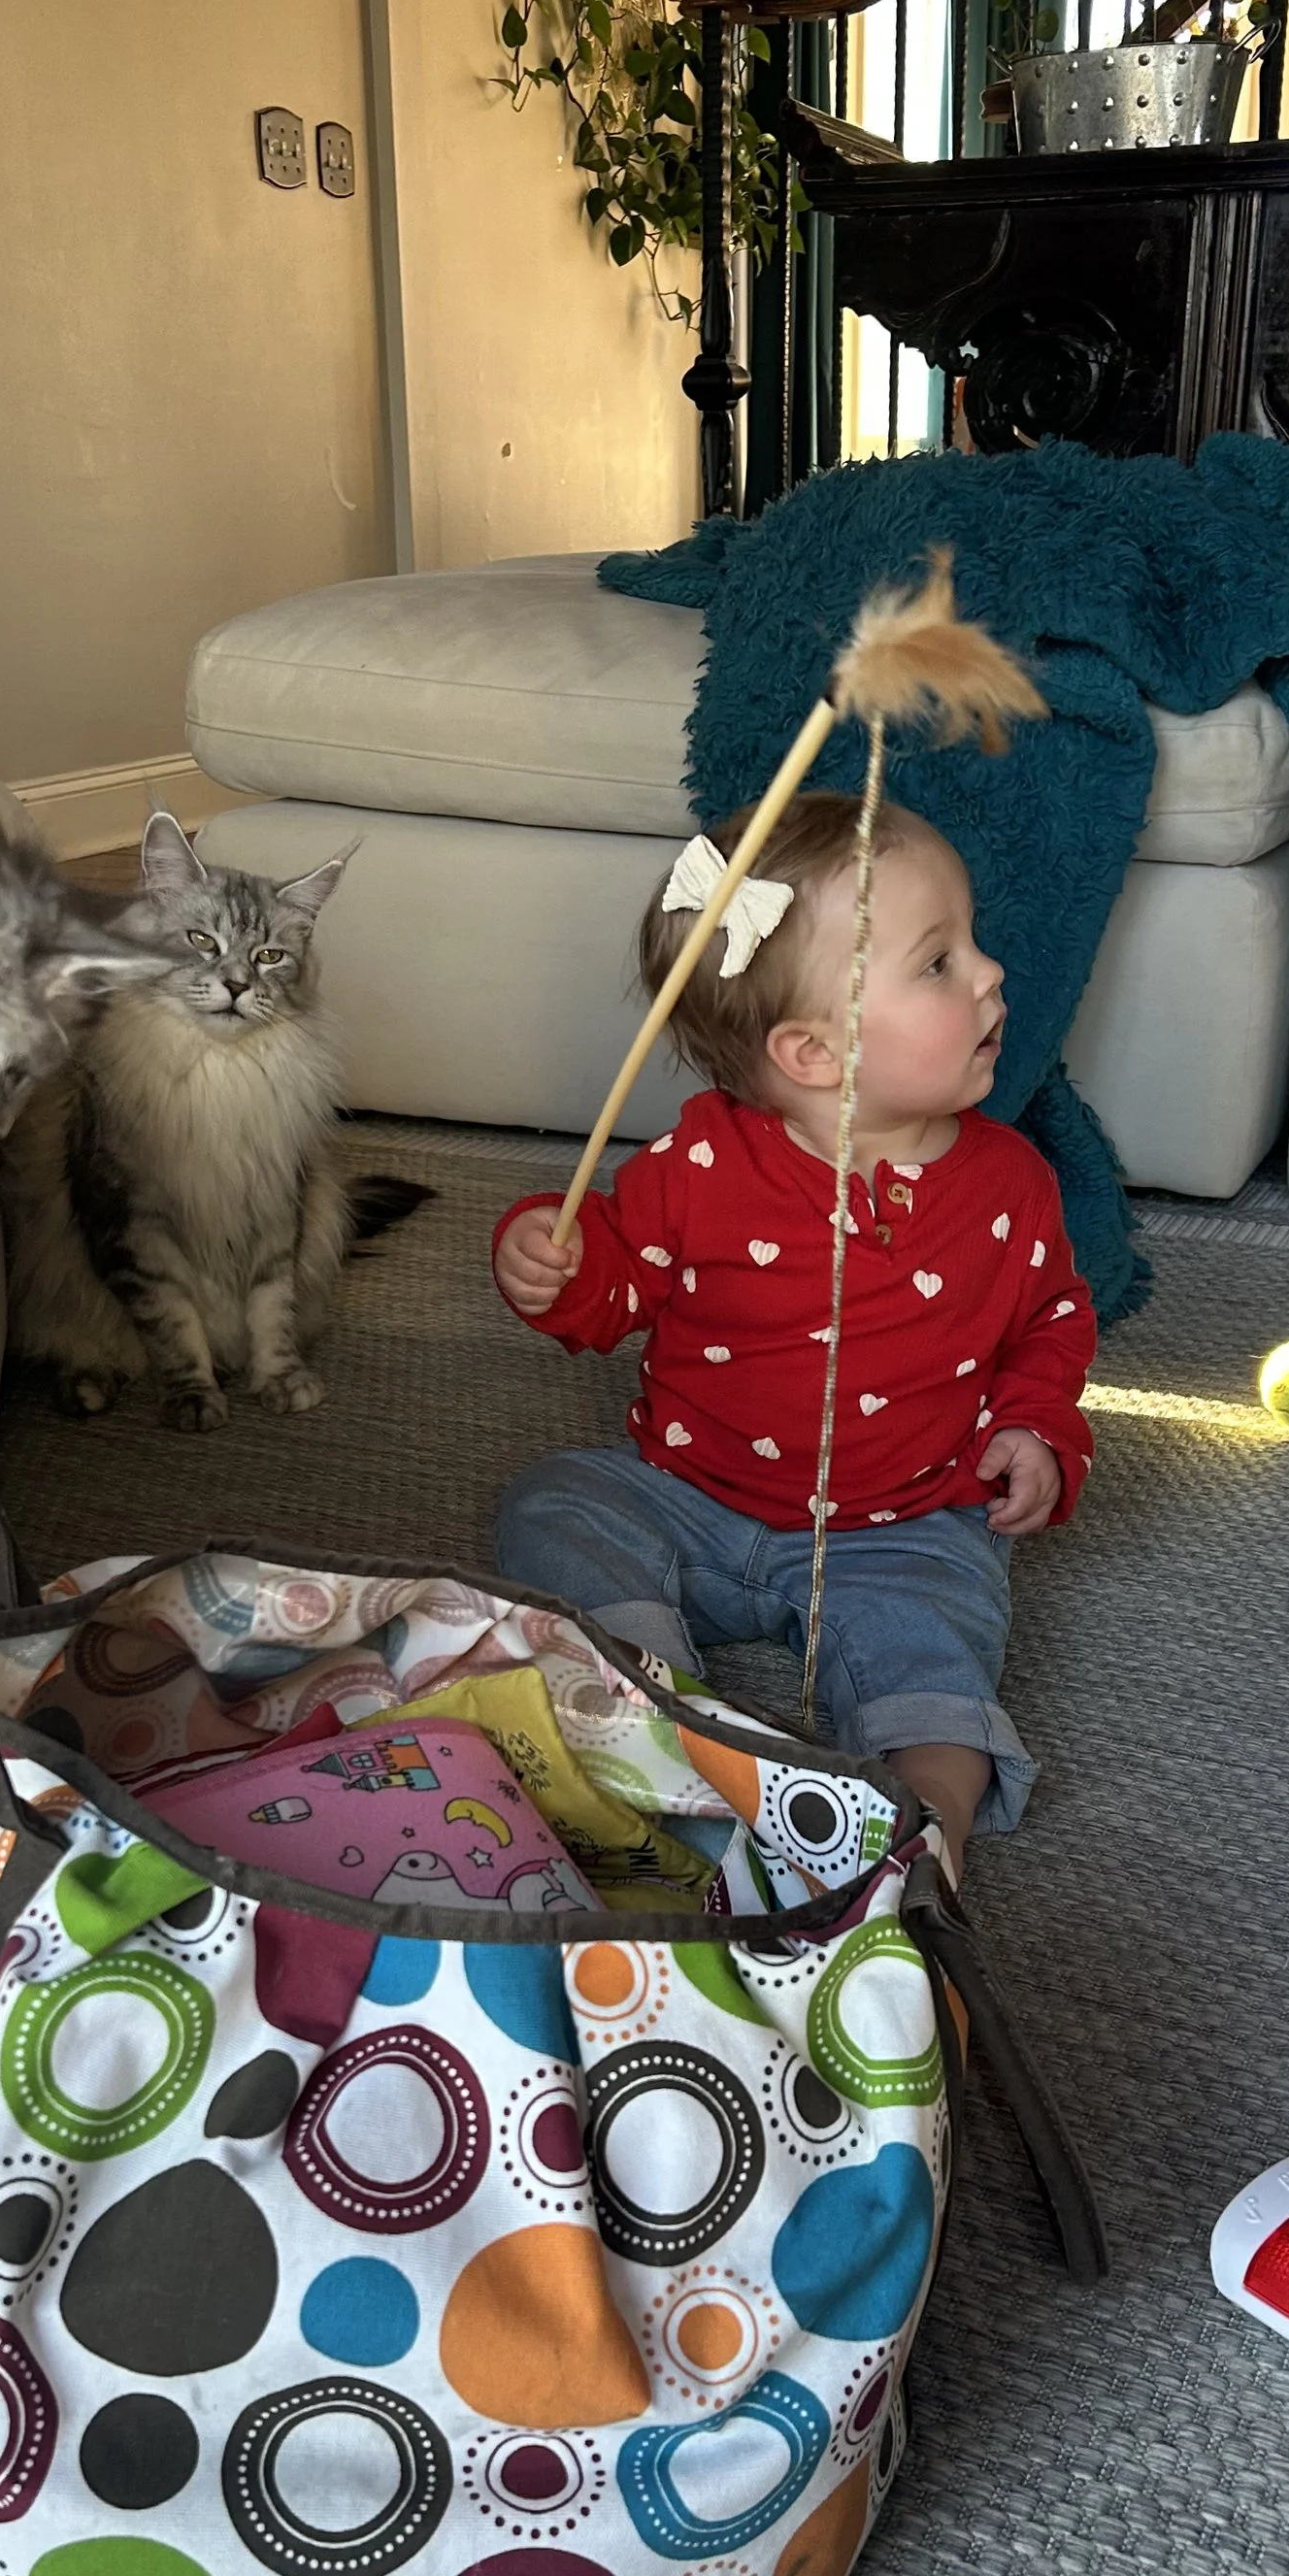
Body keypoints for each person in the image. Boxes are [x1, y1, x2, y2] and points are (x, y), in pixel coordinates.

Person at [490, 789, 1097, 1864]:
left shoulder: (1009, 1183)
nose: (990, 972)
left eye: (970, 944)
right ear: (815, 1054)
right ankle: (654, 1713)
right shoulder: (700, 1166)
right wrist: (553, 1259)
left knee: (940, 1637)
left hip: (902, 1519)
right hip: (688, 1494)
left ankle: (923, 1841)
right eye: (938, 962)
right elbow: (614, 1295)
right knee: (554, 1500)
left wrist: (1037, 1425)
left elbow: (1049, 1319)